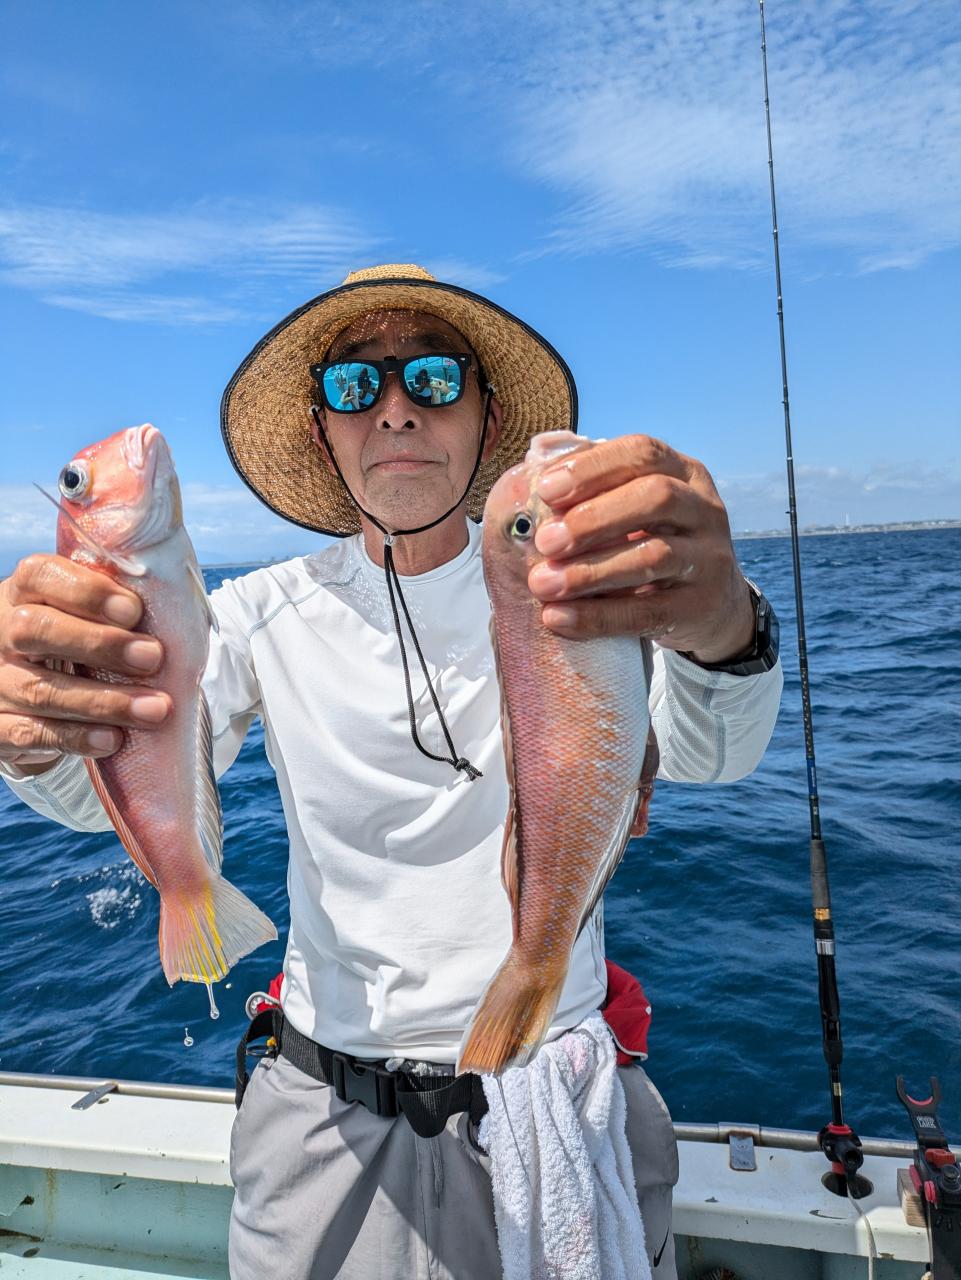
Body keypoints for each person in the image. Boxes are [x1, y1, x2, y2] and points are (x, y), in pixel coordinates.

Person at [0, 263, 783, 1280]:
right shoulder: (251, 611)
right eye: (356, 384)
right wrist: (34, 733)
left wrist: (723, 626)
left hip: (557, 1092)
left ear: (487, 421)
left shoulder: (577, 581)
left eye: (434, 376)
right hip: (320, 1115)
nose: (397, 408)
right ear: (323, 432)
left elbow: (712, 753)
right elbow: (102, 783)